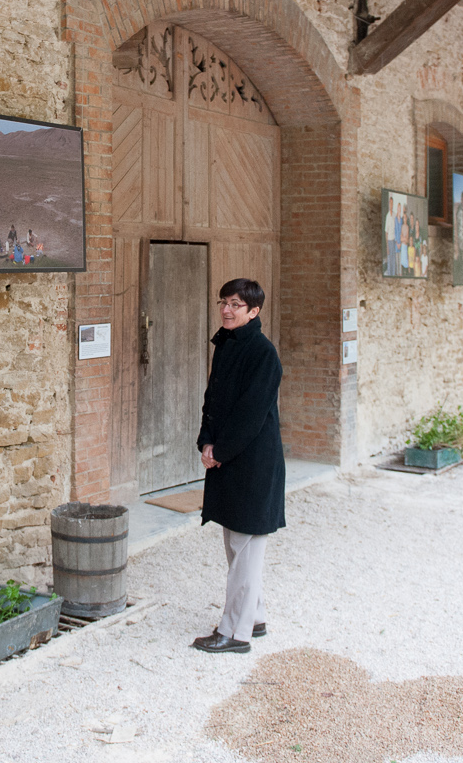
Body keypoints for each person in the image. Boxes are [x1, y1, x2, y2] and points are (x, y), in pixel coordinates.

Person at [192, 278, 284, 654]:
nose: (227, 310)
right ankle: (254, 616)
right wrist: (206, 441)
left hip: (253, 462)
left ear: (254, 311)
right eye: (223, 302)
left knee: (246, 546)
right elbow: (212, 401)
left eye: (235, 304)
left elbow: (251, 414)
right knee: (236, 543)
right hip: (229, 458)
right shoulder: (227, 345)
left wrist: (220, 451)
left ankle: (234, 632)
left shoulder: (263, 354)